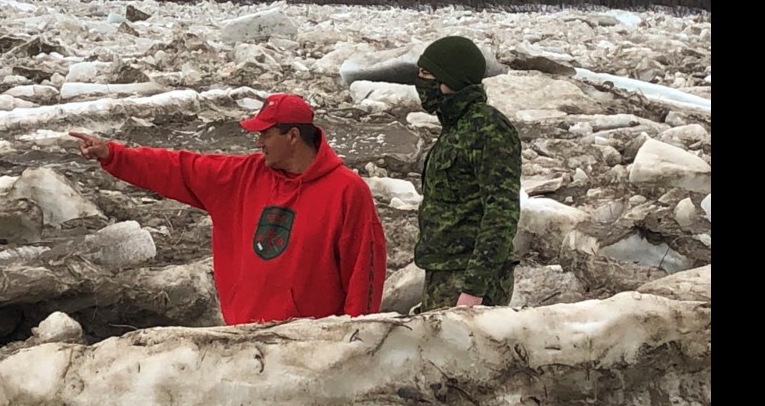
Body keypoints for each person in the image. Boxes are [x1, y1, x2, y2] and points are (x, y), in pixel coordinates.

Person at [69, 92, 387, 325]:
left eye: (265, 133)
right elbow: (178, 168)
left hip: (310, 348)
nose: (258, 142)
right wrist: (113, 155)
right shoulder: (241, 177)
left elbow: (364, 274)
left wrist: (356, 342)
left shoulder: (346, 191)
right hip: (244, 338)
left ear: (292, 136)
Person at [412, 36, 522, 309]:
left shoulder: (488, 128)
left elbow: (501, 213)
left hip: (467, 280)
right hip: (445, 272)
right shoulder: (456, 126)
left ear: (451, 78)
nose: (419, 82)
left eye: (426, 74)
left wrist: (474, 288)